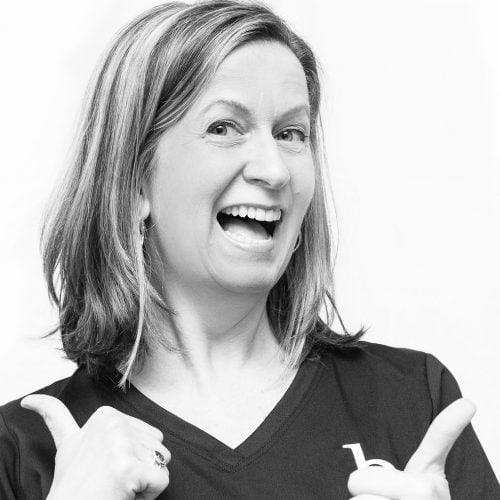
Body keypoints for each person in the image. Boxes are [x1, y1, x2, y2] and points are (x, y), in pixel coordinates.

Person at [0, 1, 498, 498]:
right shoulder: (25, 451)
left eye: (290, 134)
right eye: (224, 128)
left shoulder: (414, 399)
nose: (275, 170)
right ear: (133, 183)